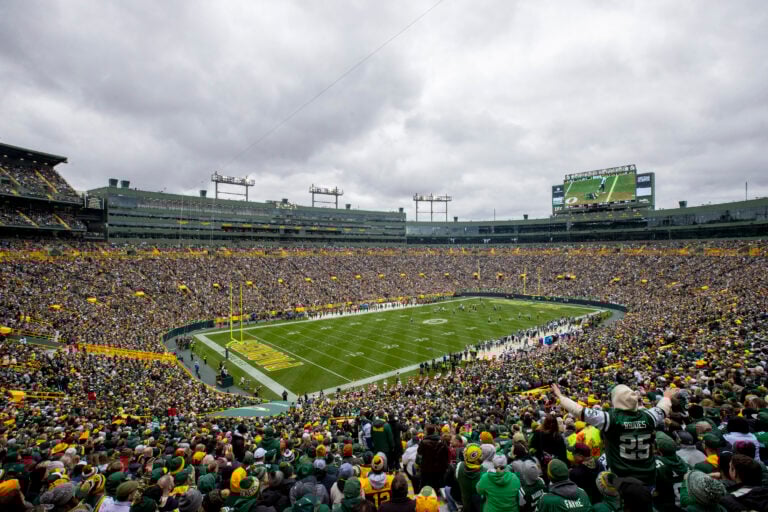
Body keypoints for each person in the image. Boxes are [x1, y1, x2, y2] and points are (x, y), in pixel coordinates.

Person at [551, 383, 676, 486]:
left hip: (622, 480)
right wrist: (666, 397)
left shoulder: (611, 419)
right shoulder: (649, 416)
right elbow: (662, 409)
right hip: (648, 476)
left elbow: (579, 411)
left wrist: (560, 396)